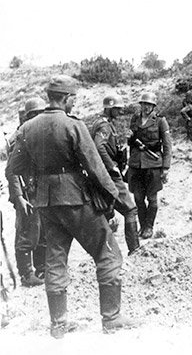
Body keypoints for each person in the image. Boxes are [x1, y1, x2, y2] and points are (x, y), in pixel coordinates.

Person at [6, 76, 138, 337]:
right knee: (107, 253)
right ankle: (111, 318)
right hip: (75, 199)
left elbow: (13, 168)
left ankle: (59, 325)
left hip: (46, 203)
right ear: (65, 98)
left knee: (54, 260)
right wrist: (116, 199)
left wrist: (41, 176)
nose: (74, 103)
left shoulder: (27, 128)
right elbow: (96, 167)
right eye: (73, 99)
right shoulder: (73, 125)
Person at [91, 94, 141, 256]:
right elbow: (99, 147)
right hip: (109, 175)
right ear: (109, 108)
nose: (120, 112)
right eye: (117, 109)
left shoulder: (102, 123)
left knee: (106, 212)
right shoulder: (104, 126)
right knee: (130, 209)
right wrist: (112, 166)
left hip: (102, 173)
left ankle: (106, 252)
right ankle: (135, 250)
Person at [5, 97, 47, 287]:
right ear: (30, 116)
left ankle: (42, 268)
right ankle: (26, 274)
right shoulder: (20, 136)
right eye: (36, 114)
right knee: (27, 231)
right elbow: (11, 170)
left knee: (43, 231)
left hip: (41, 190)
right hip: (26, 192)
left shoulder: (39, 133)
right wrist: (19, 197)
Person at [128, 92, 172, 239]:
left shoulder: (160, 121)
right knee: (138, 198)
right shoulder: (135, 119)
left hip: (153, 163)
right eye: (144, 104)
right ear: (140, 105)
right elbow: (131, 141)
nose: (146, 107)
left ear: (153, 106)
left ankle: (149, 227)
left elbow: (167, 145)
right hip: (136, 163)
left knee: (152, 198)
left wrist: (165, 167)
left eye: (149, 105)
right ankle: (142, 225)